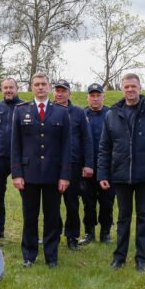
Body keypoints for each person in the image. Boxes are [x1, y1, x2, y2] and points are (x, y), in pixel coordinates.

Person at [97, 73, 145, 272]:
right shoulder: (112, 114)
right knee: (123, 218)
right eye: (127, 86)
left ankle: (141, 258)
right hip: (120, 175)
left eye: (133, 86)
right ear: (122, 89)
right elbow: (105, 147)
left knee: (143, 217)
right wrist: (103, 174)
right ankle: (119, 256)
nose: (130, 90)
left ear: (140, 88)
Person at [11, 71, 71, 268]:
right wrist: (17, 174)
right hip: (29, 175)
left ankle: (51, 256)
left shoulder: (61, 112)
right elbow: (15, 145)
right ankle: (29, 255)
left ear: (49, 87)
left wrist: (65, 175)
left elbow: (66, 147)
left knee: (52, 217)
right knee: (30, 216)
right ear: (31, 87)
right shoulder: (20, 111)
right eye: (36, 84)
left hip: (54, 175)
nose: (40, 87)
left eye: (43, 84)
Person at [52, 79, 94, 250]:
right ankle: (53, 235)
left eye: (63, 90)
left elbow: (87, 139)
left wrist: (88, 164)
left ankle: (72, 236)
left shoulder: (78, 112)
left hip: (73, 164)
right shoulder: (48, 110)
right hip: (52, 164)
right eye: (57, 90)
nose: (60, 93)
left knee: (72, 203)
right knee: (52, 204)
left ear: (69, 93)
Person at [0, 77, 22, 240]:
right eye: (5, 88)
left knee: (27, 196)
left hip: (21, 160)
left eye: (11, 87)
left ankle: (29, 231)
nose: (8, 90)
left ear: (17, 89)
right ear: (2, 90)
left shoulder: (25, 107)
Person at [80, 83, 112, 244]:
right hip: (87, 167)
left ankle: (105, 232)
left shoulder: (111, 114)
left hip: (107, 168)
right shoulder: (81, 114)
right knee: (88, 202)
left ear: (102, 97)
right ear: (88, 97)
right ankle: (89, 232)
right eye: (92, 95)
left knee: (107, 202)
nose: (95, 98)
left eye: (98, 95)